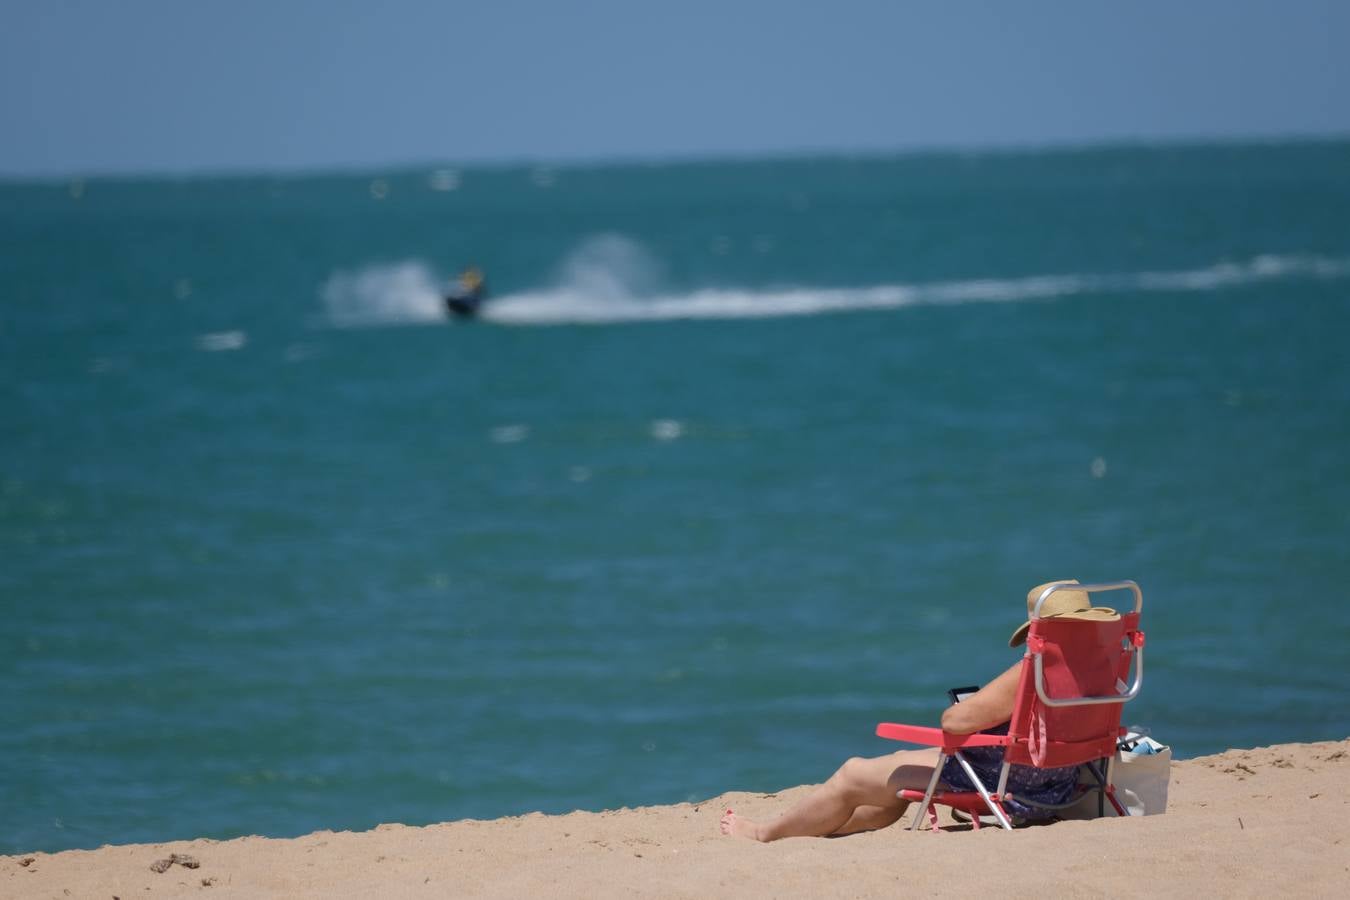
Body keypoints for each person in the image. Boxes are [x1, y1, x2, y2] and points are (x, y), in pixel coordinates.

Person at [719, 580, 1117, 841]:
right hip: (1060, 784)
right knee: (894, 763)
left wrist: (981, 709)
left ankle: (763, 834)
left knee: (853, 771)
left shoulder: (1035, 670)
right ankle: (831, 829)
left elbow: (954, 723)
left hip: (1012, 786)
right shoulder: (1102, 669)